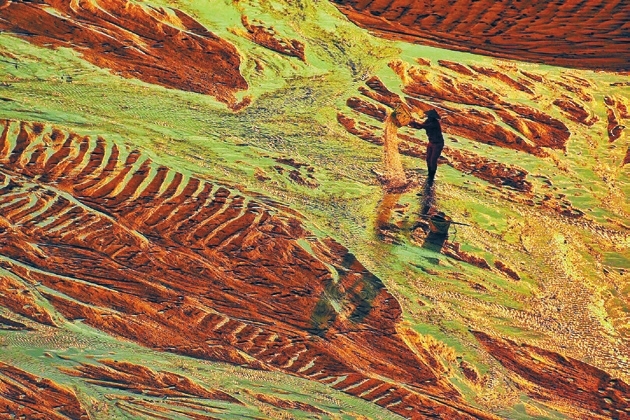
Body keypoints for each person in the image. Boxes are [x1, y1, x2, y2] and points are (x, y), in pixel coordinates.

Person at [416, 109, 444, 184]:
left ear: (433, 117)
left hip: (438, 144)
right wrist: (411, 124)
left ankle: (432, 176)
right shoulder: (428, 121)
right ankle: (429, 174)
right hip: (431, 142)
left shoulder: (435, 123)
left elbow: (424, 126)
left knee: (433, 160)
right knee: (428, 159)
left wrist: (414, 122)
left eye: (430, 117)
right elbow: (420, 126)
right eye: (428, 116)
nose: (429, 117)